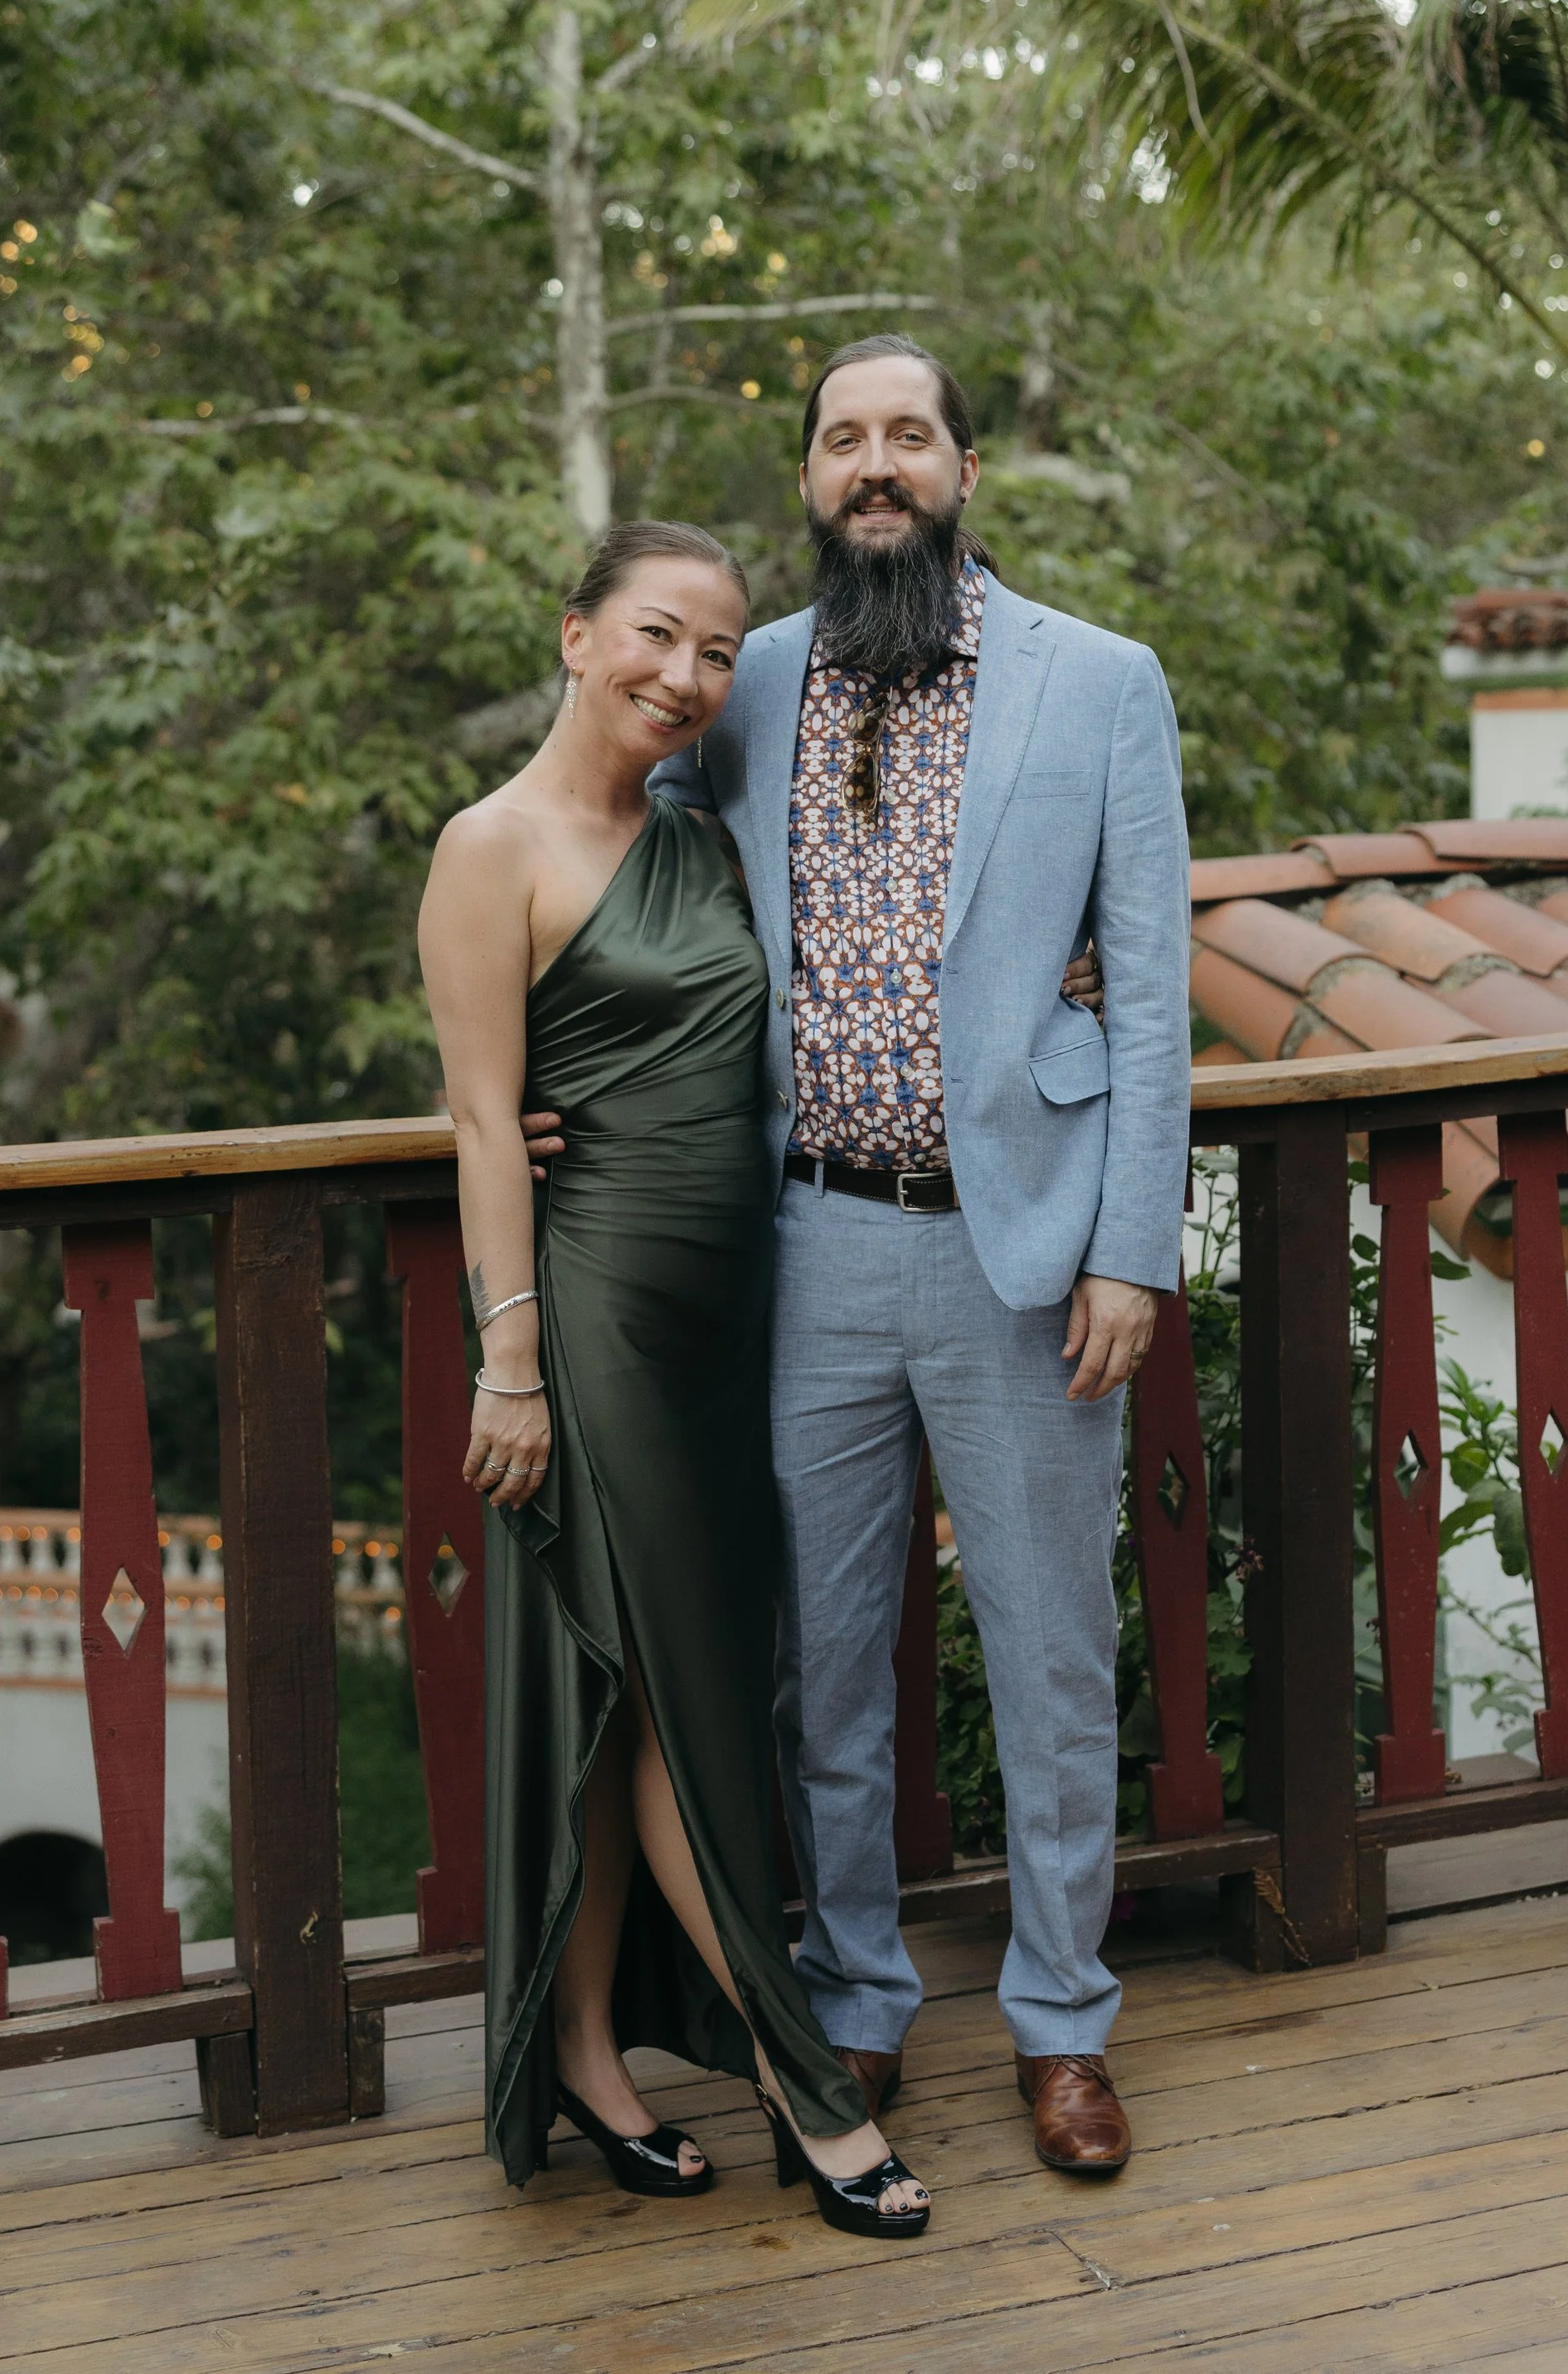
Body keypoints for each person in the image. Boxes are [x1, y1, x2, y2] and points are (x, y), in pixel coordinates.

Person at [642, 337, 1191, 2177]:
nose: (872, 465)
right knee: (822, 1666)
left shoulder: (1099, 682)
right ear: (809, 479)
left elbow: (1155, 992)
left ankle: (1063, 2019)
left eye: (906, 436)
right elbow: (632, 873)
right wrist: (557, 1078)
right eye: (840, 440)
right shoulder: (745, 681)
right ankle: (856, 1992)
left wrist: (1130, 1249)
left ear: (965, 469)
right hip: (807, 1238)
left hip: (1023, 1248)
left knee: (1051, 1657)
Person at [418, 518, 930, 2240]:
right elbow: (483, 1117)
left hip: (733, 1325)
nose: (685, 675)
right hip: (593, 1328)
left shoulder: (706, 840)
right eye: (654, 633)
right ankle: (806, 2082)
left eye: (716, 652)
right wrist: (509, 1360)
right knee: (686, 1702)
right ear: (575, 634)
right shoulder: (488, 846)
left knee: (625, 1692)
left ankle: (583, 2044)